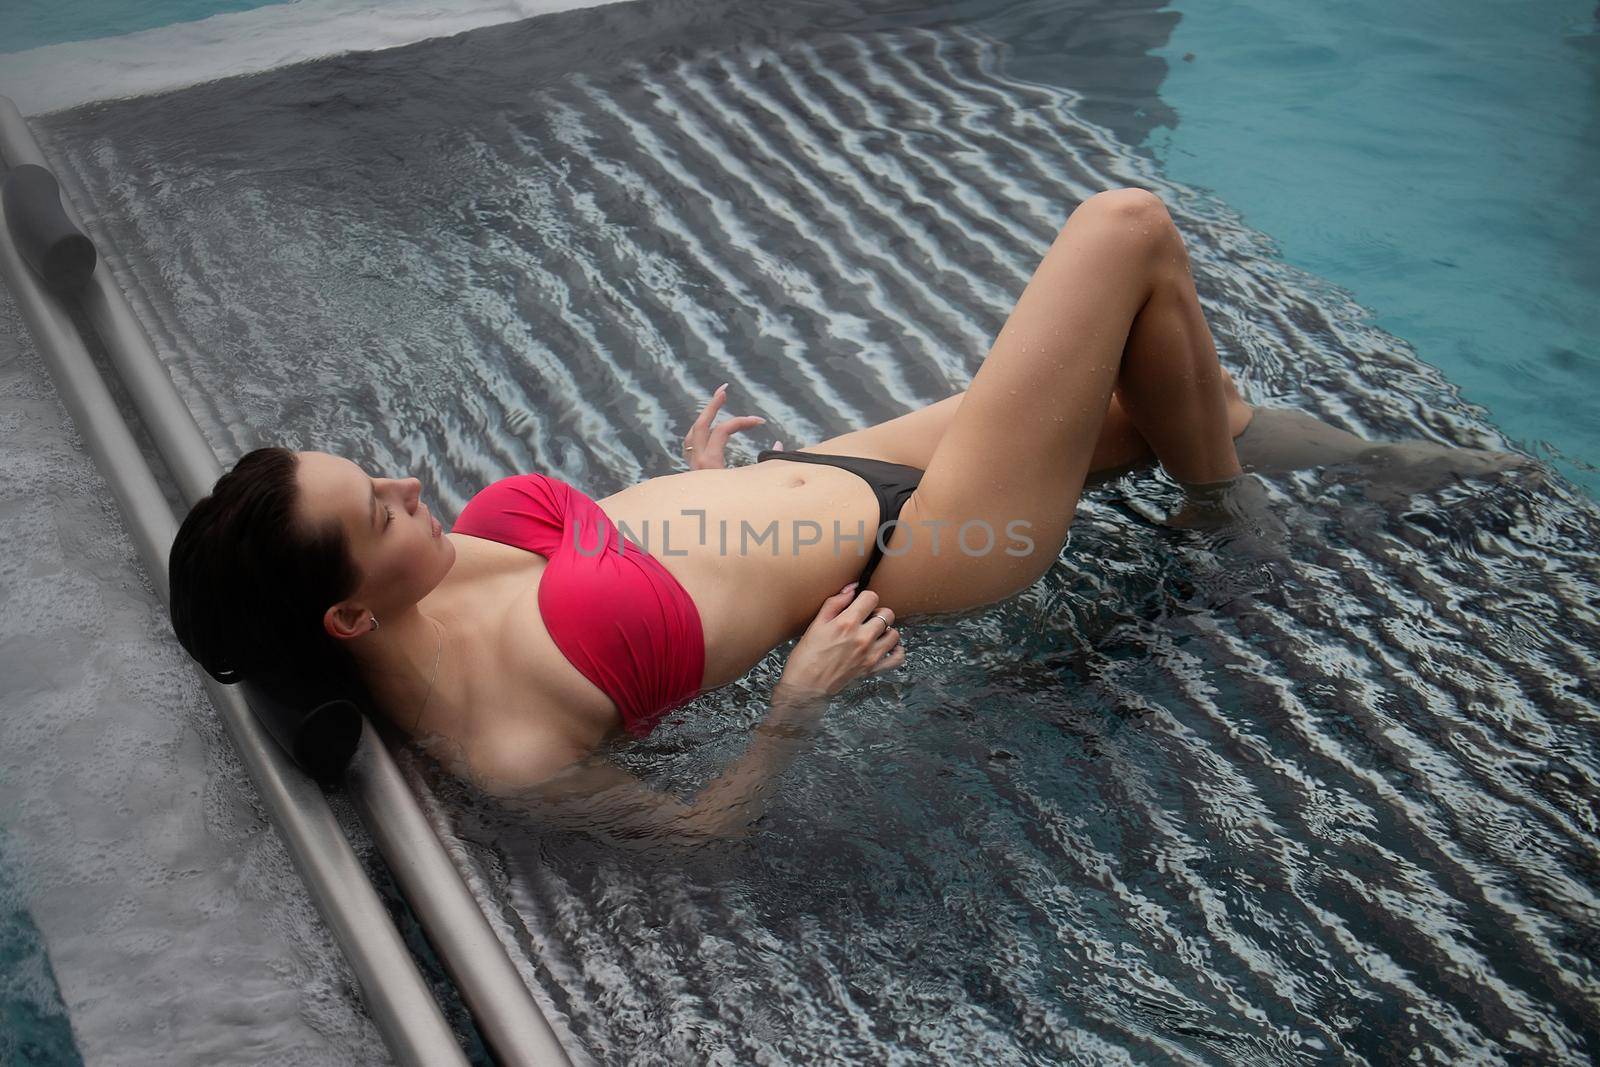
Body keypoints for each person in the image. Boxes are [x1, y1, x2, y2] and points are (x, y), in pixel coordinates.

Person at [168, 188, 1523, 842]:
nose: (408, 486)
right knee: (1125, 231)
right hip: (920, 548)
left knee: (1153, 400)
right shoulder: (504, 740)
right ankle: (1233, 520)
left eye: (379, 476)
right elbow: (695, 841)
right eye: (379, 508)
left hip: (819, 474)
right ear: (347, 610)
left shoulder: (425, 574)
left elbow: (624, 556)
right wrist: (794, 705)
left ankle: (1365, 466)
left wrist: (686, 488)